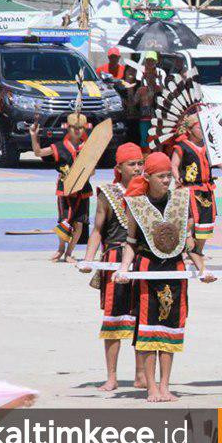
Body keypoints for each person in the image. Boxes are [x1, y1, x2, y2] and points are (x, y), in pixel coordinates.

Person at [114, 152, 215, 403]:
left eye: (169, 176)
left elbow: (189, 243)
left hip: (175, 270)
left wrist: (202, 269)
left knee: (170, 329)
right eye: (161, 176)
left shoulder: (181, 201)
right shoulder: (136, 204)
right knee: (149, 331)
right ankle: (151, 388)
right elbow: (131, 243)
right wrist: (124, 269)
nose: (167, 181)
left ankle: (166, 385)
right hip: (148, 269)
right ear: (147, 177)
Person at [78, 142, 146, 391]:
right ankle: (112, 376)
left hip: (141, 259)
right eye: (132, 164)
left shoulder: (147, 191)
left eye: (140, 163)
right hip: (114, 258)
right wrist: (88, 258)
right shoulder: (107, 193)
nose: (138, 168)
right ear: (119, 167)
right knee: (114, 319)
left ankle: (141, 375)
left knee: (142, 318)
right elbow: (97, 230)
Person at [170, 114, 222, 253]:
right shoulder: (182, 146)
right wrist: (176, 177)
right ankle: (182, 249)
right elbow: (174, 165)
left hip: (207, 190)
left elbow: (220, 163)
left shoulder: (208, 147)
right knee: (190, 220)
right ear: (190, 129)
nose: (203, 130)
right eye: (199, 127)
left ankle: (198, 251)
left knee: (206, 222)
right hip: (189, 189)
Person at [30, 114, 93, 262]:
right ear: (67, 127)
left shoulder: (89, 147)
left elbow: (93, 171)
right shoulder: (59, 147)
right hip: (64, 189)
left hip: (83, 189)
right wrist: (34, 136)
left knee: (79, 222)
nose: (77, 130)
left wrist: (87, 170)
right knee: (64, 220)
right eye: (74, 127)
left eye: (80, 128)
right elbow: (38, 152)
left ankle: (69, 252)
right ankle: (60, 249)